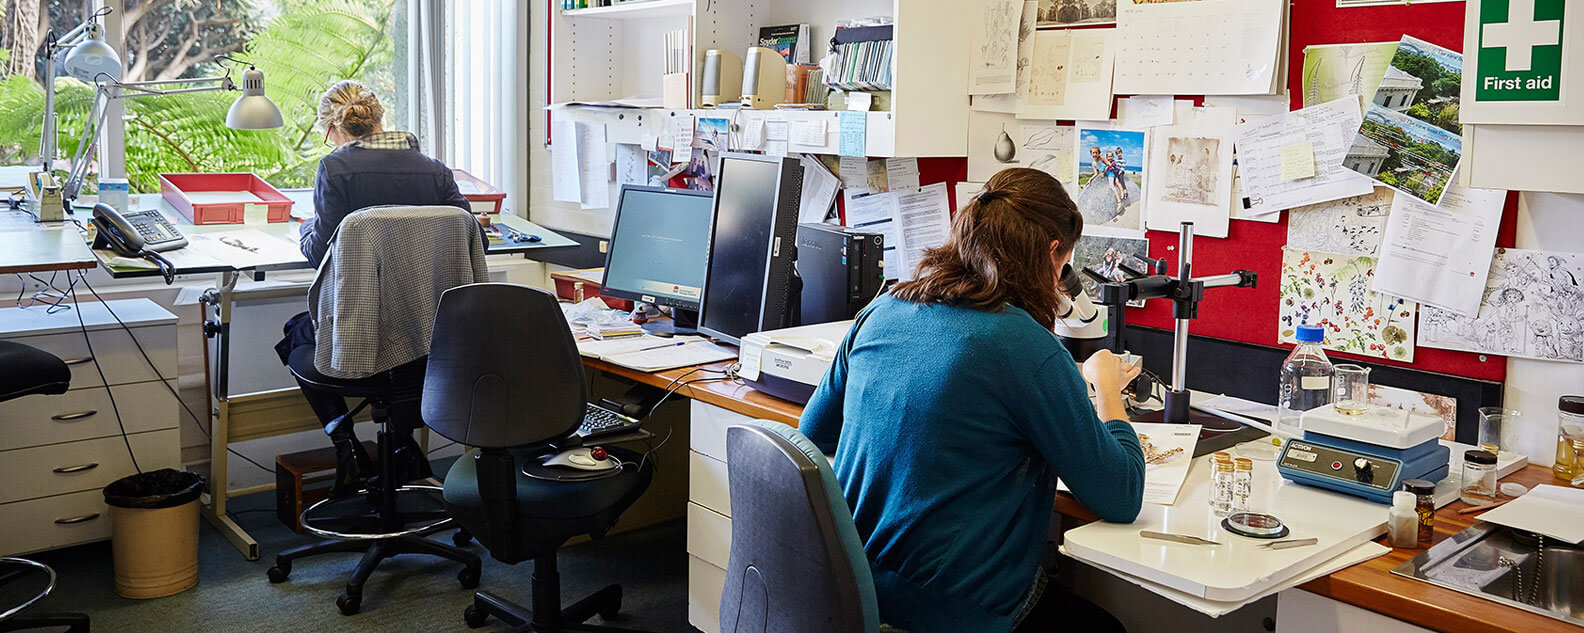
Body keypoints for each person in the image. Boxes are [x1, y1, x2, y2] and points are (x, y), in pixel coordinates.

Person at [801, 168, 1146, 633]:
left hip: (852, 591)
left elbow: (812, 434)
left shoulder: (880, 311)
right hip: (946, 610)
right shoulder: (1027, 349)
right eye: (1064, 267)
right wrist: (1106, 386)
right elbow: (1121, 495)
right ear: (1050, 255)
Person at [274, 80, 472, 497]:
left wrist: (308, 226)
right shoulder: (435, 169)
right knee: (398, 350)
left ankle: (348, 449)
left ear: (333, 128)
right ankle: (403, 449)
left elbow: (317, 252)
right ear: (380, 120)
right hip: (428, 340)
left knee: (295, 335)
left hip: (362, 341)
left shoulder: (335, 169)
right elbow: (475, 239)